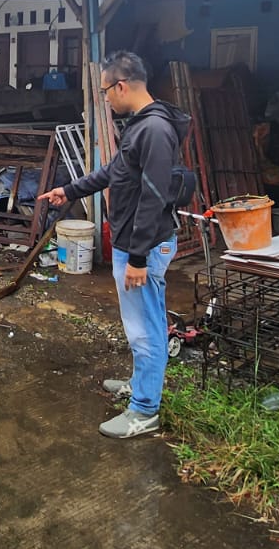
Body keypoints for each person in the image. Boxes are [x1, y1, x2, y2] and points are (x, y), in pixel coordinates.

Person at [41, 51, 190, 439]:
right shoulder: (140, 126)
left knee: (146, 329)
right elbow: (115, 172)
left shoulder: (154, 130)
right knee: (143, 324)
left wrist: (138, 257)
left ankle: (144, 410)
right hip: (133, 243)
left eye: (106, 90)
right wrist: (69, 189)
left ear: (122, 85)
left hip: (144, 246)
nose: (106, 98)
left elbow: (154, 197)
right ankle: (141, 387)